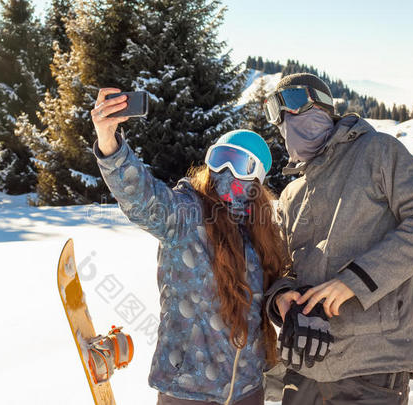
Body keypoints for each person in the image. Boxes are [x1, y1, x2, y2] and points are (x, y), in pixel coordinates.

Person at [90, 87, 290, 405]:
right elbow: (141, 199)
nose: (227, 171)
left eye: (240, 164)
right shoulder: (186, 214)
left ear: (257, 178)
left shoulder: (263, 235)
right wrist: (109, 142)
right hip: (187, 393)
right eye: (220, 158)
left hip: (248, 392)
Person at [262, 74, 413, 405]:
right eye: (275, 111)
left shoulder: (378, 151)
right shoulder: (292, 193)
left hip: (370, 368)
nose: (285, 118)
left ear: (323, 104)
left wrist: (354, 281)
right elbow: (282, 267)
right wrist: (281, 298)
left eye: (293, 102)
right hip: (305, 365)